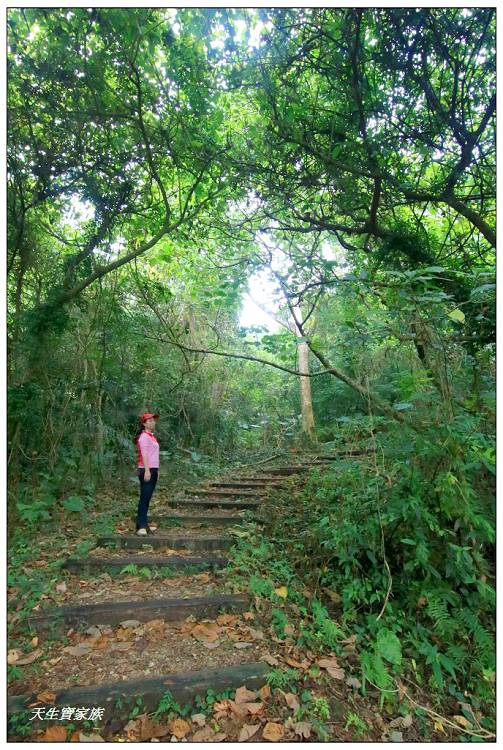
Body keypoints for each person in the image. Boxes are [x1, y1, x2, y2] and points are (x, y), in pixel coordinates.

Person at [134, 412, 160, 536]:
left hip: (153, 469)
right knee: (144, 498)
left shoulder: (151, 436)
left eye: (153, 420)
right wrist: (148, 470)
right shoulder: (144, 436)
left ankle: (143, 524)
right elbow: (144, 454)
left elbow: (153, 455)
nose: (152, 422)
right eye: (149, 421)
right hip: (146, 470)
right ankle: (141, 526)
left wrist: (156, 471)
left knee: (147, 498)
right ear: (144, 423)